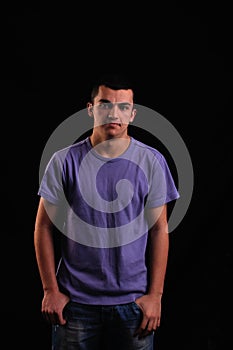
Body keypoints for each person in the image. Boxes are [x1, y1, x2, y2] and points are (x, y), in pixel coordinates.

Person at [34, 74, 180, 350]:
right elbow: (43, 227)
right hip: (75, 305)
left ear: (133, 114)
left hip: (133, 305)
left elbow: (160, 229)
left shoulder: (151, 161)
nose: (114, 112)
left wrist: (155, 296)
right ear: (90, 109)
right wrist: (50, 291)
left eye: (123, 106)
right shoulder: (64, 160)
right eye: (105, 104)